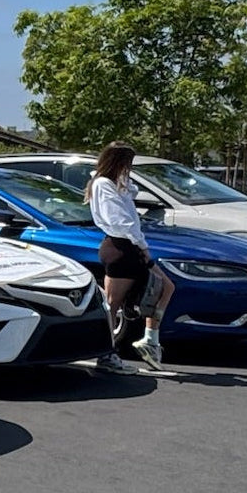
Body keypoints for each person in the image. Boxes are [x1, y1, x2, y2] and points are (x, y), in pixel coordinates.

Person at [87, 141, 174, 374]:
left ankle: (149, 341)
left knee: (162, 288)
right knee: (114, 304)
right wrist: (143, 249)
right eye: (127, 163)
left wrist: (124, 180)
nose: (129, 168)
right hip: (121, 247)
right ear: (118, 162)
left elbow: (130, 194)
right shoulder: (103, 184)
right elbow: (122, 221)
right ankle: (107, 353)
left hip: (122, 246)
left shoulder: (113, 183)